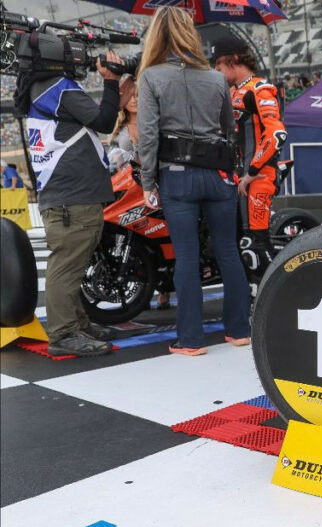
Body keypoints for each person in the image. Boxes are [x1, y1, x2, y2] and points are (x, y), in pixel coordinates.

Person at [136, 6, 252, 356]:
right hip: (219, 176)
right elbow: (229, 129)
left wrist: (146, 181)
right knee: (228, 251)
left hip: (177, 177)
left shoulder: (152, 76)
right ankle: (239, 330)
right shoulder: (216, 78)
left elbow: (148, 136)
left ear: (157, 36)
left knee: (185, 256)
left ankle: (191, 339)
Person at [15, 47, 127, 356]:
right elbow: (104, 120)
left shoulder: (41, 88)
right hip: (72, 197)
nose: (79, 59)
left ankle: (76, 323)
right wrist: (111, 81)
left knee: (72, 263)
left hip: (70, 195)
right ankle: (64, 332)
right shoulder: (56, 88)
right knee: (66, 266)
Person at [211, 35, 288, 282]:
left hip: (258, 177)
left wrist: (252, 172)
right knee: (236, 244)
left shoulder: (260, 89)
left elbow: (277, 133)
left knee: (255, 246)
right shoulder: (233, 92)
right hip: (237, 179)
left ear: (234, 60)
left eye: (219, 66)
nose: (217, 72)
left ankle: (271, 304)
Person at [111, 77, 172, 310]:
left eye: (139, 95)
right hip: (136, 190)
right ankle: (149, 284)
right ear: (123, 101)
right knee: (143, 237)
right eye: (131, 96)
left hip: (163, 182)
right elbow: (115, 164)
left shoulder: (157, 123)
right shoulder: (121, 133)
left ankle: (166, 287)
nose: (135, 100)